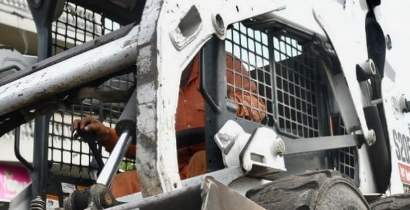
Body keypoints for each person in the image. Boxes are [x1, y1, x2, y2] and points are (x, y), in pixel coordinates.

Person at [72, 54, 266, 198]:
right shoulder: (154, 84)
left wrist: (228, 106)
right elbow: (144, 146)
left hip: (218, 158)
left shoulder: (222, 63)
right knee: (122, 184)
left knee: (201, 161)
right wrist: (106, 135)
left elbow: (258, 108)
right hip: (169, 169)